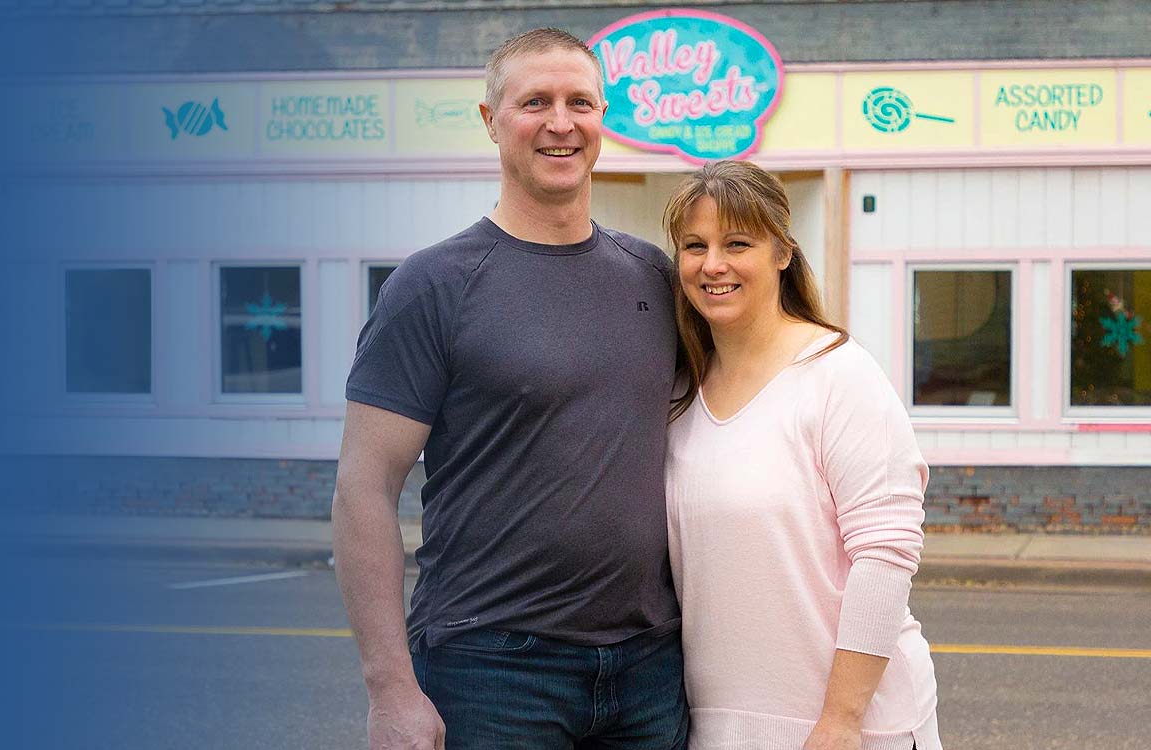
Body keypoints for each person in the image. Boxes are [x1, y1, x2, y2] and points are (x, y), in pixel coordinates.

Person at [332, 27, 687, 750]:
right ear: (491, 120)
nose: (561, 122)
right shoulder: (434, 285)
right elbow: (363, 486)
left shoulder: (653, 274)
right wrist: (390, 688)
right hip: (491, 670)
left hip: (651, 670)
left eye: (579, 102)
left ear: (602, 120)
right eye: (535, 102)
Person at [661, 160, 941, 750]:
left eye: (738, 243)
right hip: (719, 722)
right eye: (695, 245)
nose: (713, 265)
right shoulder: (681, 392)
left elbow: (886, 553)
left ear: (783, 253)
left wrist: (841, 721)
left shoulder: (838, 375)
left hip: (846, 726)